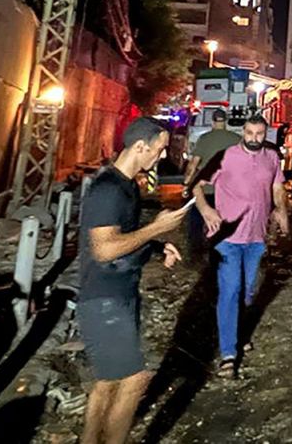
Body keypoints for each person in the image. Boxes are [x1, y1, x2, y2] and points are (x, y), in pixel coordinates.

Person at [79, 117, 186, 444]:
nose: (162, 156)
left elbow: (122, 236)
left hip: (117, 295)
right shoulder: (108, 189)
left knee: (107, 382)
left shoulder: (128, 185)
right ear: (140, 147)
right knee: (135, 378)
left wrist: (154, 246)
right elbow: (104, 249)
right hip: (103, 299)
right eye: (159, 149)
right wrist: (156, 228)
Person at [193, 114, 289, 377]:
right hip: (228, 238)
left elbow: (277, 187)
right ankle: (228, 354)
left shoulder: (271, 158)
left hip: (256, 238)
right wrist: (206, 211)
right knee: (231, 290)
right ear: (242, 132)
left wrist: (281, 210)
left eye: (259, 134)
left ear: (265, 134)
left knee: (247, 292)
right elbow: (195, 186)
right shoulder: (225, 157)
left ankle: (239, 332)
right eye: (249, 133)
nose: (254, 139)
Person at [183, 110, 240, 263]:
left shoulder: (204, 139)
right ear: (225, 121)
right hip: (229, 192)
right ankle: (222, 253)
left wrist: (187, 183)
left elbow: (193, 165)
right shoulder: (237, 139)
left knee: (196, 220)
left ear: (213, 121)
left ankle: (195, 255)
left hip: (205, 191)